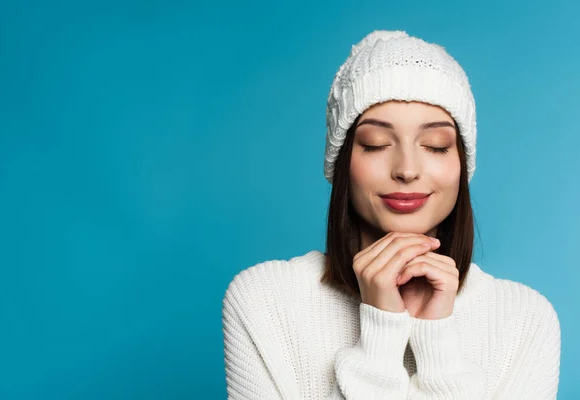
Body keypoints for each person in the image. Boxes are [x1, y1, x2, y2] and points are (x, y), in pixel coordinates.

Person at [221, 30, 561, 399]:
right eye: (376, 144)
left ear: (461, 165)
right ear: (342, 164)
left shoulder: (524, 320)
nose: (407, 169)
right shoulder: (266, 301)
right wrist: (380, 332)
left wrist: (437, 346)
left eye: (436, 146)